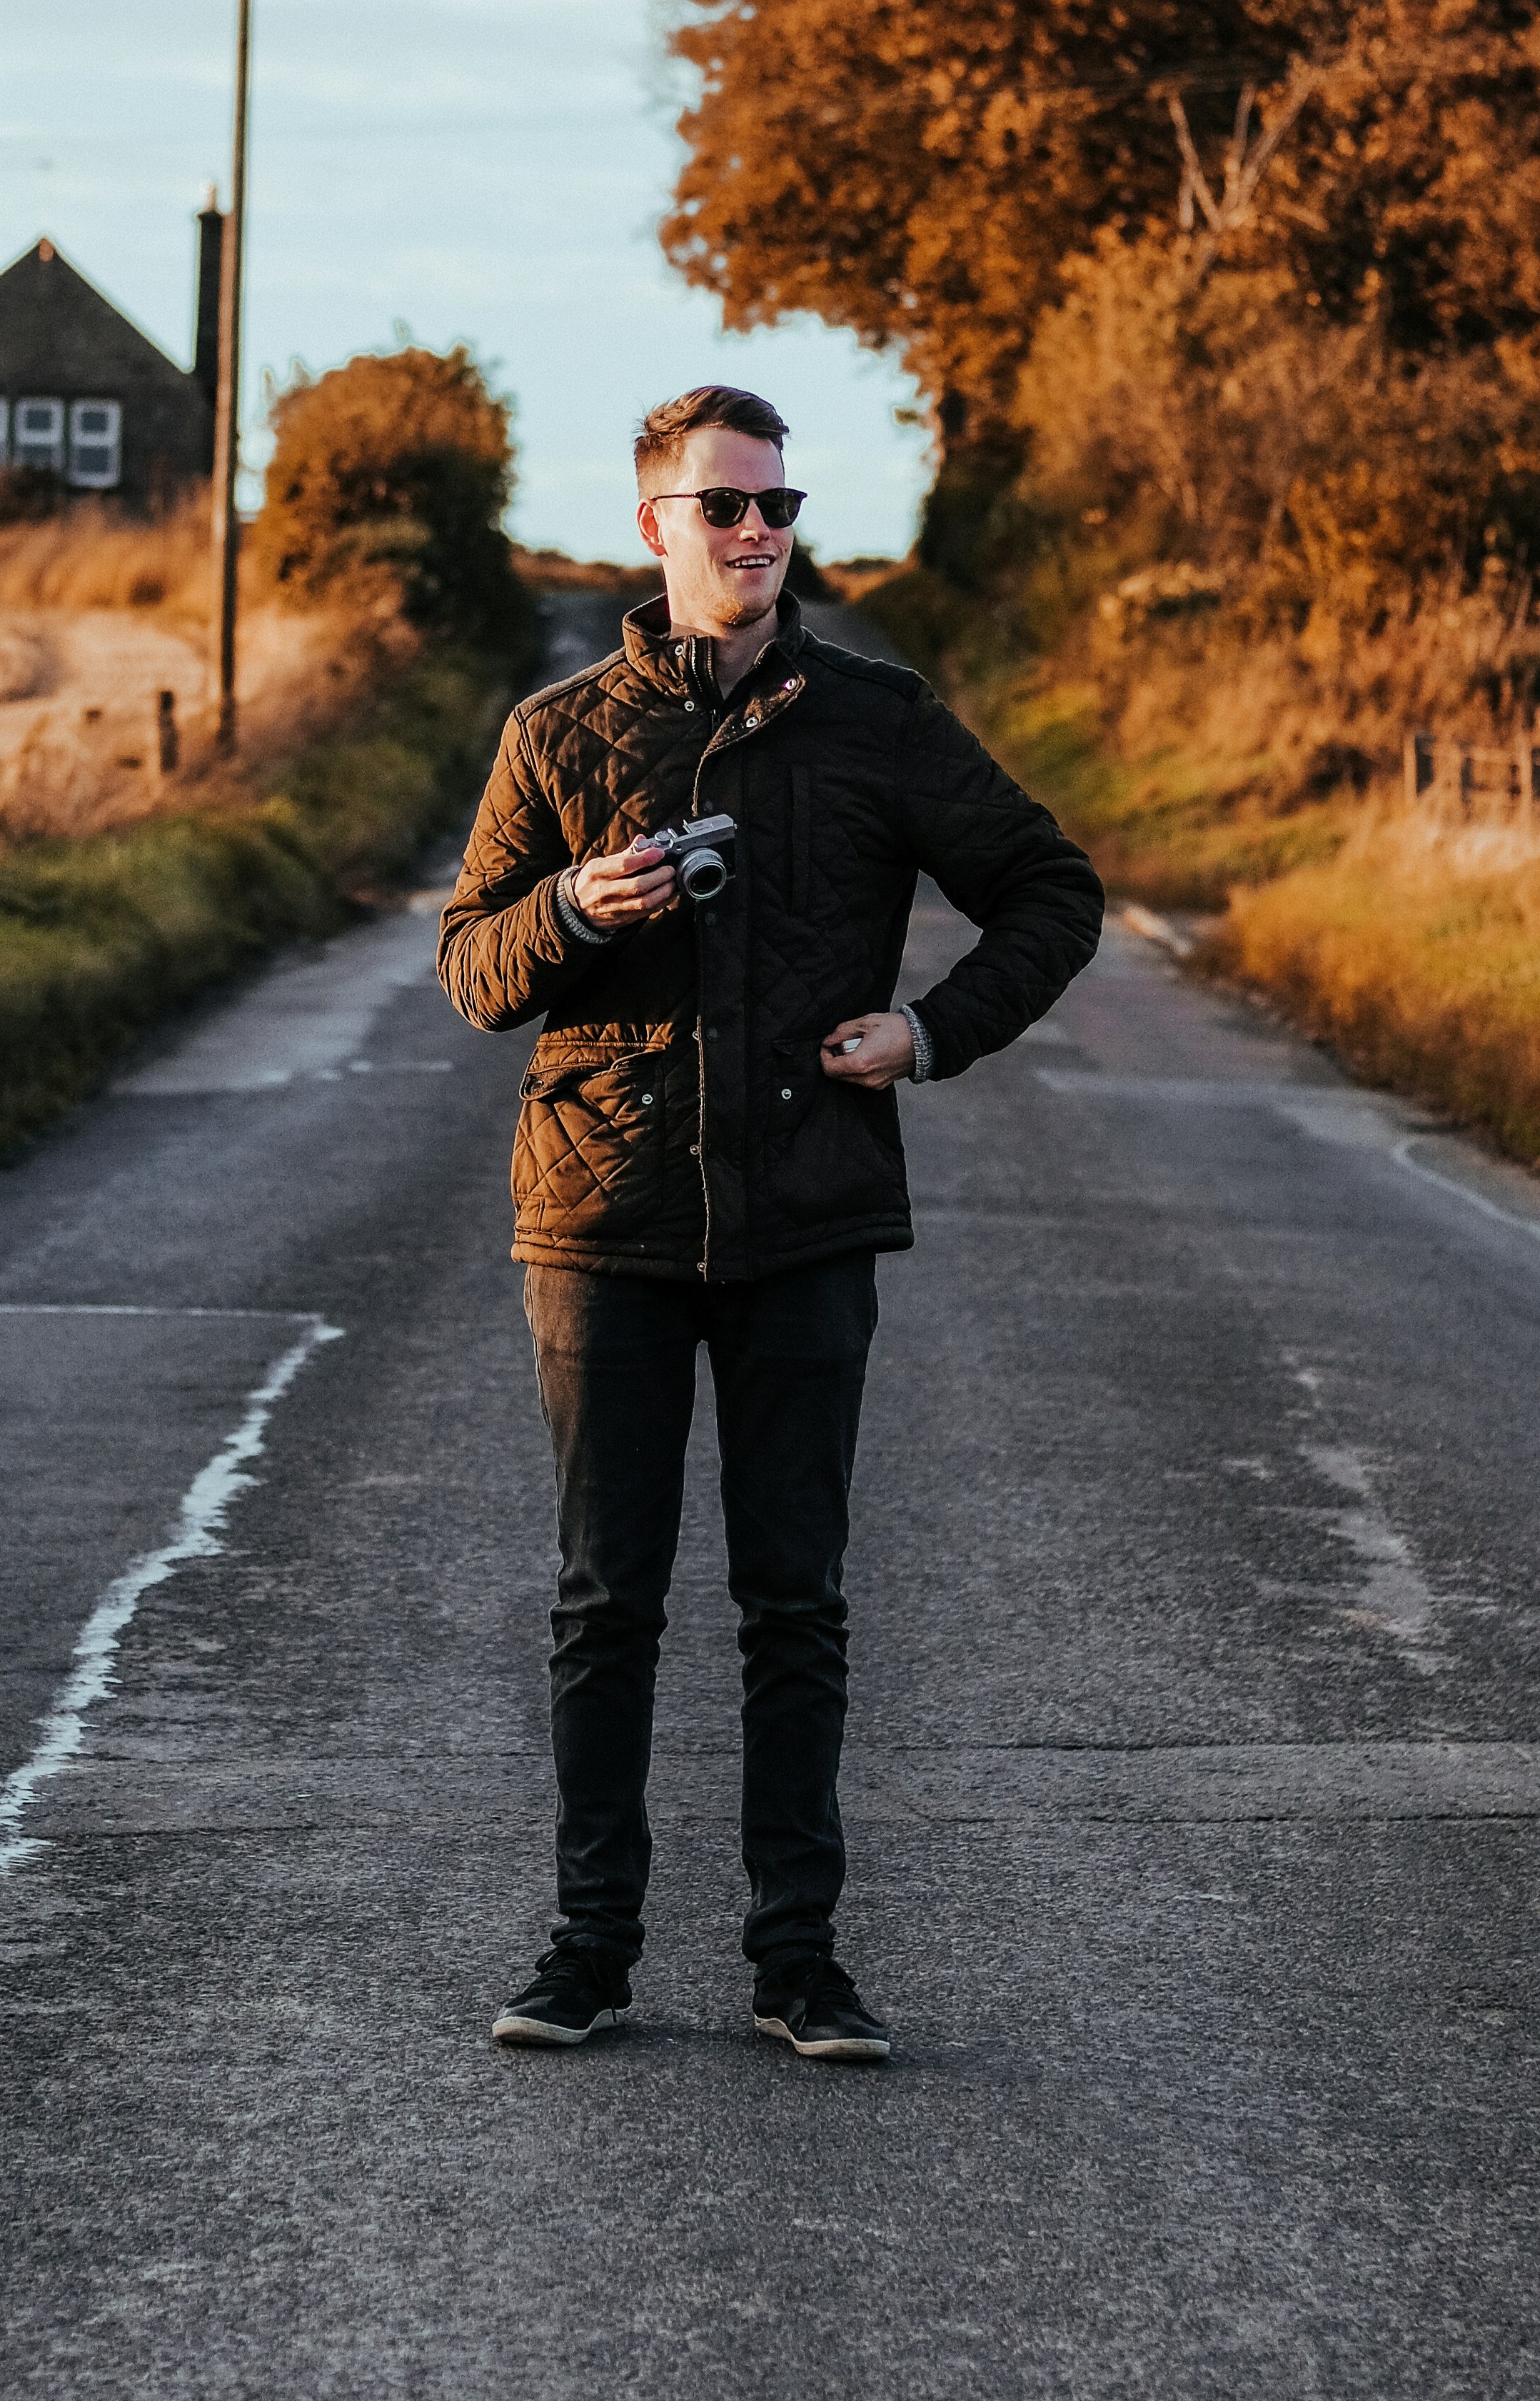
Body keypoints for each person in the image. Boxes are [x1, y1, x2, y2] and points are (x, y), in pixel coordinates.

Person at [438, 384, 1104, 2064]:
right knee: (606, 1601)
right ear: (654, 525)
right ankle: (585, 1953)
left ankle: (795, 1963)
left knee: (794, 1603)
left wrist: (929, 1033)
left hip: (809, 1216)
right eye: (725, 506)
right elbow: (468, 971)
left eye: (779, 507)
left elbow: (1050, 891)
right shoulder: (558, 735)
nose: (757, 533)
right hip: (602, 1217)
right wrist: (573, 909)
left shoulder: (874, 719)